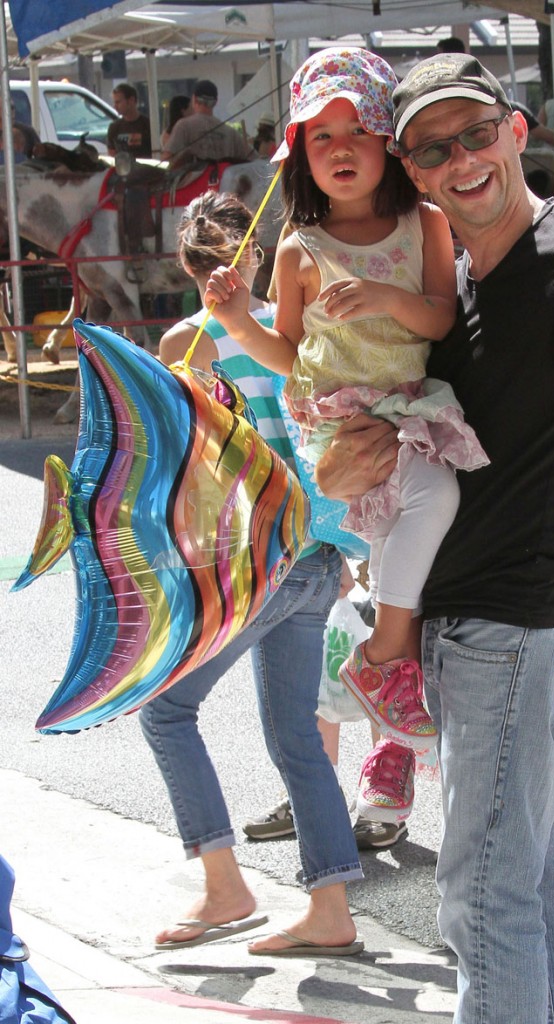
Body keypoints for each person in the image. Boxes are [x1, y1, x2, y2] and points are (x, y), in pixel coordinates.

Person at [314, 51, 554, 1024]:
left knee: (482, 900)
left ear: (514, 133)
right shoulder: (450, 291)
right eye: (433, 149)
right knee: (541, 881)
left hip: (520, 635)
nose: (461, 159)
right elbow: (390, 455)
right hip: (494, 637)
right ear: (414, 168)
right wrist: (352, 458)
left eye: (476, 134)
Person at [204, 48, 488, 763]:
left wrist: (388, 298)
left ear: (388, 145)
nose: (339, 149)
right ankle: (386, 662)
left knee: (410, 524)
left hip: (408, 408)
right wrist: (240, 324)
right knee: (429, 501)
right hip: (333, 423)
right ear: (300, 154)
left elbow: (441, 320)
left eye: (356, 130)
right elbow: (289, 354)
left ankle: (383, 679)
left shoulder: (424, 222)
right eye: (320, 136)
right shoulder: (298, 247)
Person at [139, 190, 364, 958]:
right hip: (315, 549)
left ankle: (225, 883)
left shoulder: (186, 342)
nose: (211, 276)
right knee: (297, 735)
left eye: (206, 263)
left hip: (255, 557)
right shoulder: (294, 336)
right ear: (255, 258)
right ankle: (329, 905)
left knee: (166, 712)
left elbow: (175, 464)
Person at [162, 79, 254, 168]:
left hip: (194, 183)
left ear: (194, 99)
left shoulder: (183, 126)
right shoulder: (231, 133)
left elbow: (167, 160)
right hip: (223, 182)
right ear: (216, 102)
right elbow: (253, 158)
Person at [106, 82, 152, 158]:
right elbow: (111, 155)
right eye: (114, 102)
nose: (115, 106)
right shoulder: (114, 127)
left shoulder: (148, 124)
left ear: (131, 100)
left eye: (118, 102)